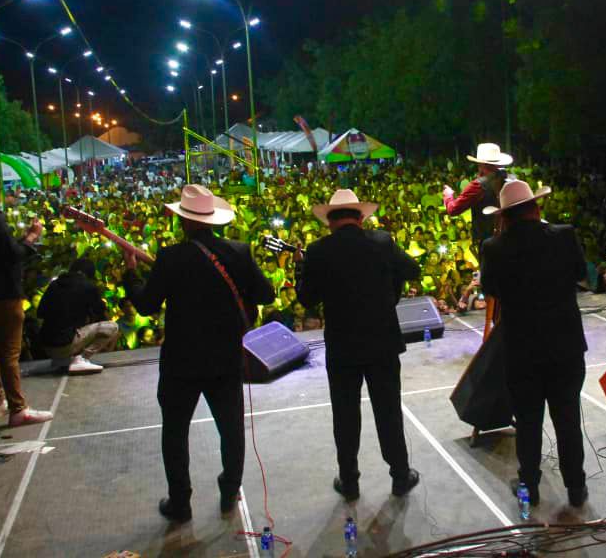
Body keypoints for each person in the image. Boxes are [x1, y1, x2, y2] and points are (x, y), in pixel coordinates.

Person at [122, 184, 274, 522]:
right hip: (224, 359)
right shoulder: (239, 252)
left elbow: (146, 305)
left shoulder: (170, 257)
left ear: (184, 222)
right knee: (231, 429)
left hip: (181, 362)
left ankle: (180, 502)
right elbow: (266, 294)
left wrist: (131, 273)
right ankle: (229, 492)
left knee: (175, 433)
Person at [295, 189, 422, 501]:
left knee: (345, 414)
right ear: (361, 218)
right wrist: (391, 289)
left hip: (342, 345)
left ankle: (350, 482)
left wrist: (302, 267)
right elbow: (413, 271)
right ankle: (400, 475)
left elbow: (307, 299)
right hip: (382, 342)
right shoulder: (381, 241)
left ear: (329, 222)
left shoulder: (318, 250)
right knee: (388, 411)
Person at [479, 179, 589, 508]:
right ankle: (576, 487)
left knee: (528, 422)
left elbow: (491, 290)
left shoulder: (494, 247)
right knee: (567, 418)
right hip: (565, 345)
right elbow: (581, 274)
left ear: (504, 216)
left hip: (521, 350)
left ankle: (530, 484)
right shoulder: (564, 235)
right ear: (536, 208)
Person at [0, 172, 53, 426]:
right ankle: (18, 409)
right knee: (9, 352)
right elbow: (13, 255)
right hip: (4, 295)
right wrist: (32, 237)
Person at [38, 256, 118, 374]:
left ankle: (62, 360)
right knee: (112, 327)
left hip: (46, 345)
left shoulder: (54, 285)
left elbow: (40, 312)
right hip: (65, 345)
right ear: (89, 274)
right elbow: (101, 313)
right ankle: (80, 359)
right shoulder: (88, 286)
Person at [442, 143, 512, 248]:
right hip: (510, 238)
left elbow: (453, 210)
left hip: (488, 242)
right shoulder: (510, 179)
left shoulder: (478, 185)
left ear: (480, 164)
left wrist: (448, 195)